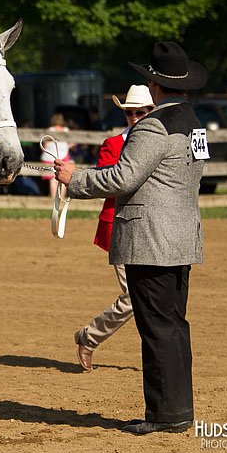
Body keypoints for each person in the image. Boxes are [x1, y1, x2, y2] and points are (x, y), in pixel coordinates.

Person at [54, 41, 208, 435]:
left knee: (156, 329)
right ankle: (178, 410)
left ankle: (163, 415)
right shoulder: (194, 123)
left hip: (150, 239)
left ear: (155, 87)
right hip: (181, 235)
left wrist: (75, 180)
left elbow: (122, 178)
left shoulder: (152, 126)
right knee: (173, 325)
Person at [74, 85, 155, 371]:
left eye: (140, 112)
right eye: (130, 112)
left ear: (150, 112)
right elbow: (107, 181)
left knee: (148, 296)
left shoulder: (159, 142)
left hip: (151, 228)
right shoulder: (114, 144)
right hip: (119, 226)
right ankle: (91, 337)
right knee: (133, 297)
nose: (134, 117)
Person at [41, 113, 72, 197]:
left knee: (52, 179)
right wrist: (67, 147)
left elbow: (45, 145)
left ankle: (53, 198)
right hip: (63, 156)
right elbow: (72, 142)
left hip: (49, 157)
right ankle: (61, 197)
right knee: (63, 179)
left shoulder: (50, 130)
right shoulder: (66, 130)